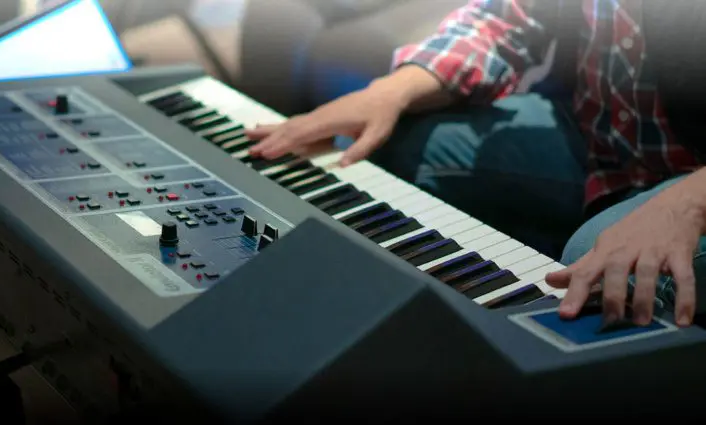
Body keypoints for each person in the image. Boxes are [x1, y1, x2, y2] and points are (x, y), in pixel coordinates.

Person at [244, 0, 706, 327]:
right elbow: (505, 20)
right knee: (400, 145)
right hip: (604, 147)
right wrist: (389, 92)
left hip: (693, 177)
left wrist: (685, 204)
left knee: (601, 265)